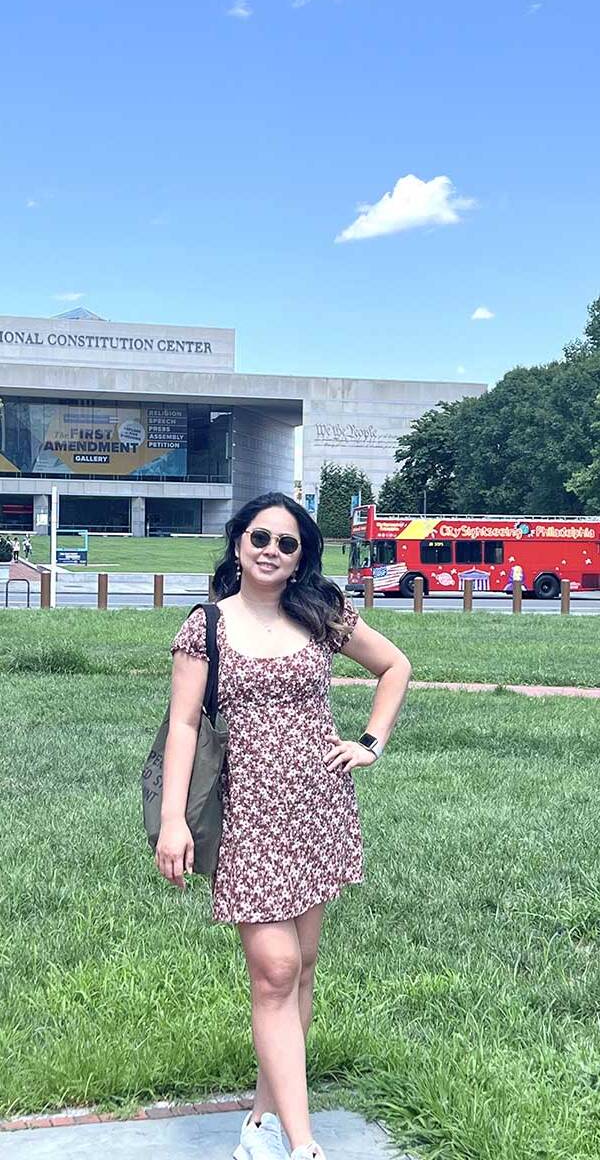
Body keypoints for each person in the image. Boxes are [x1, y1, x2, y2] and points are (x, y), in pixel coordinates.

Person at [156, 492, 412, 1160]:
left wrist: (370, 742)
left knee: (301, 972)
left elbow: (395, 666)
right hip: (248, 818)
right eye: (261, 537)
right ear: (238, 542)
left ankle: (262, 1122)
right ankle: (305, 1145)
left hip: (318, 810)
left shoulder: (320, 613)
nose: (272, 550)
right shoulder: (206, 626)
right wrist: (173, 822)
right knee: (274, 969)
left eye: (288, 543)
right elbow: (184, 726)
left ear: (302, 557)